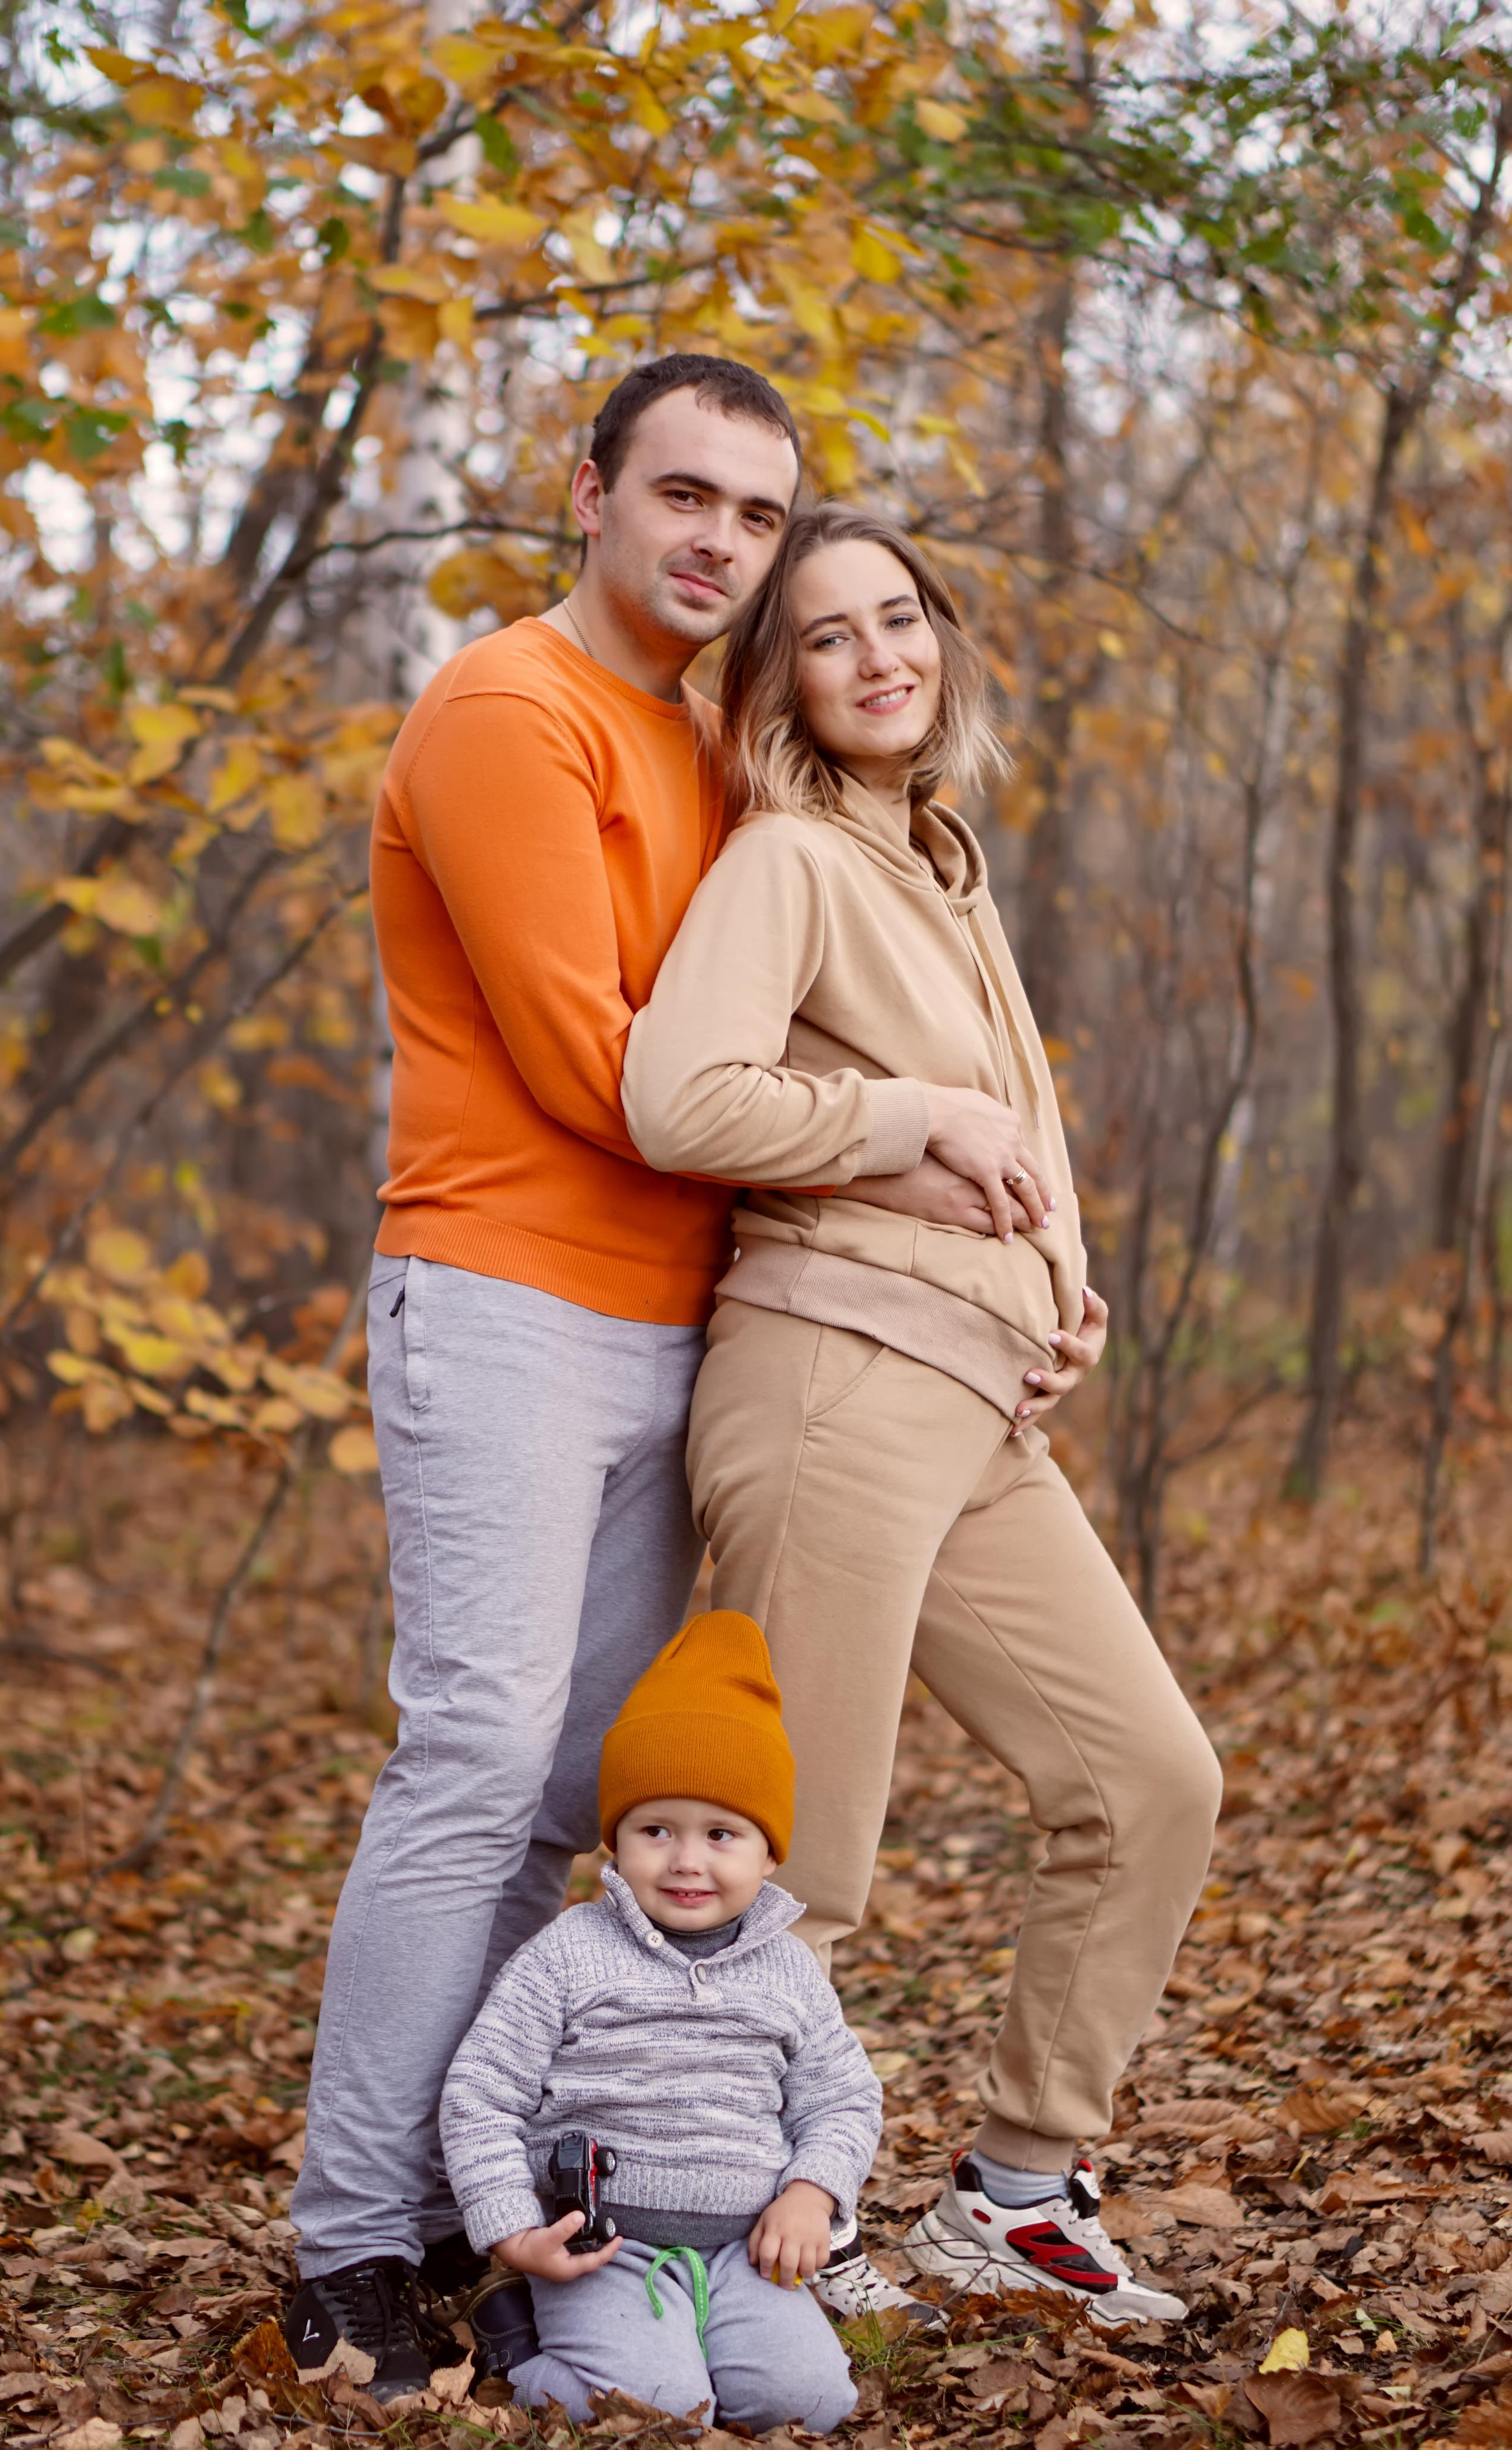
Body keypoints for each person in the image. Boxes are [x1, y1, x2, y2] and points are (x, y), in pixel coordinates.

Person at [285, 364, 937, 2402]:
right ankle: (345, 2244)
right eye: (682, 494)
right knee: (473, 1758)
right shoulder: (510, 709)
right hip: (502, 1294)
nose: (719, 544)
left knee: (573, 1795)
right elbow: (609, 1069)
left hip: (687, 1315)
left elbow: (772, 1029)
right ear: (587, 492)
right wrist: (883, 1123)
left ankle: (488, 2216)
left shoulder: (714, 744)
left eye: (756, 515)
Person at [621, 501, 1225, 2325]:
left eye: (904, 619)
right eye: (829, 633)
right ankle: (699, 2232)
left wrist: (1067, 1284)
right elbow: (681, 1096)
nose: (882, 655)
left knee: (1146, 1781)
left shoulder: (941, 860)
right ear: (782, 682)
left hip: (977, 1402)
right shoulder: (794, 858)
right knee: (791, 1857)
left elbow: (1004, 1126)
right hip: (832, 1384)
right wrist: (904, 1130)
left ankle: (1021, 2193)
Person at [438, 1612, 880, 2432]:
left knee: (814, 2404)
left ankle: (702, 2341)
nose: (686, 1860)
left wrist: (812, 2194)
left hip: (748, 2251)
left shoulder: (789, 1973)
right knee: (660, 2413)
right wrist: (512, 2233)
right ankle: (521, 2353)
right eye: (655, 1831)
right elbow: (482, 2095)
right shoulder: (567, 1956)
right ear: (616, 1842)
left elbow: (841, 2100)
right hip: (601, 2251)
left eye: (721, 1833)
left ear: (770, 1851)